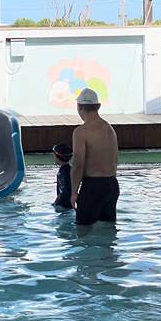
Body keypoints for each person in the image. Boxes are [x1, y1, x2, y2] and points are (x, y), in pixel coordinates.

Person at [70, 87, 119, 226]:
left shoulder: (81, 132)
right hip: (112, 185)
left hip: (93, 186)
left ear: (79, 107)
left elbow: (78, 164)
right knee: (108, 230)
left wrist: (74, 192)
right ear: (98, 106)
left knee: (82, 230)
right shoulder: (109, 128)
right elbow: (115, 159)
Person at [52, 143, 73, 209]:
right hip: (67, 203)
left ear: (57, 157)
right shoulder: (67, 169)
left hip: (64, 204)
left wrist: (57, 201)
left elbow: (65, 190)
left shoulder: (64, 172)